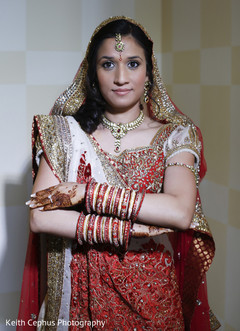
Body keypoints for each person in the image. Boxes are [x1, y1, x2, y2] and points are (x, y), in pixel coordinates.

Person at [18, 16, 220, 331]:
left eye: (134, 63)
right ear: (92, 73)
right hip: (84, 295)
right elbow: (41, 217)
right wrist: (128, 229)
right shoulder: (66, 134)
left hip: (152, 296)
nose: (122, 77)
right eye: (109, 64)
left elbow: (180, 211)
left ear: (149, 72)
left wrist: (87, 193)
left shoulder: (177, 135)